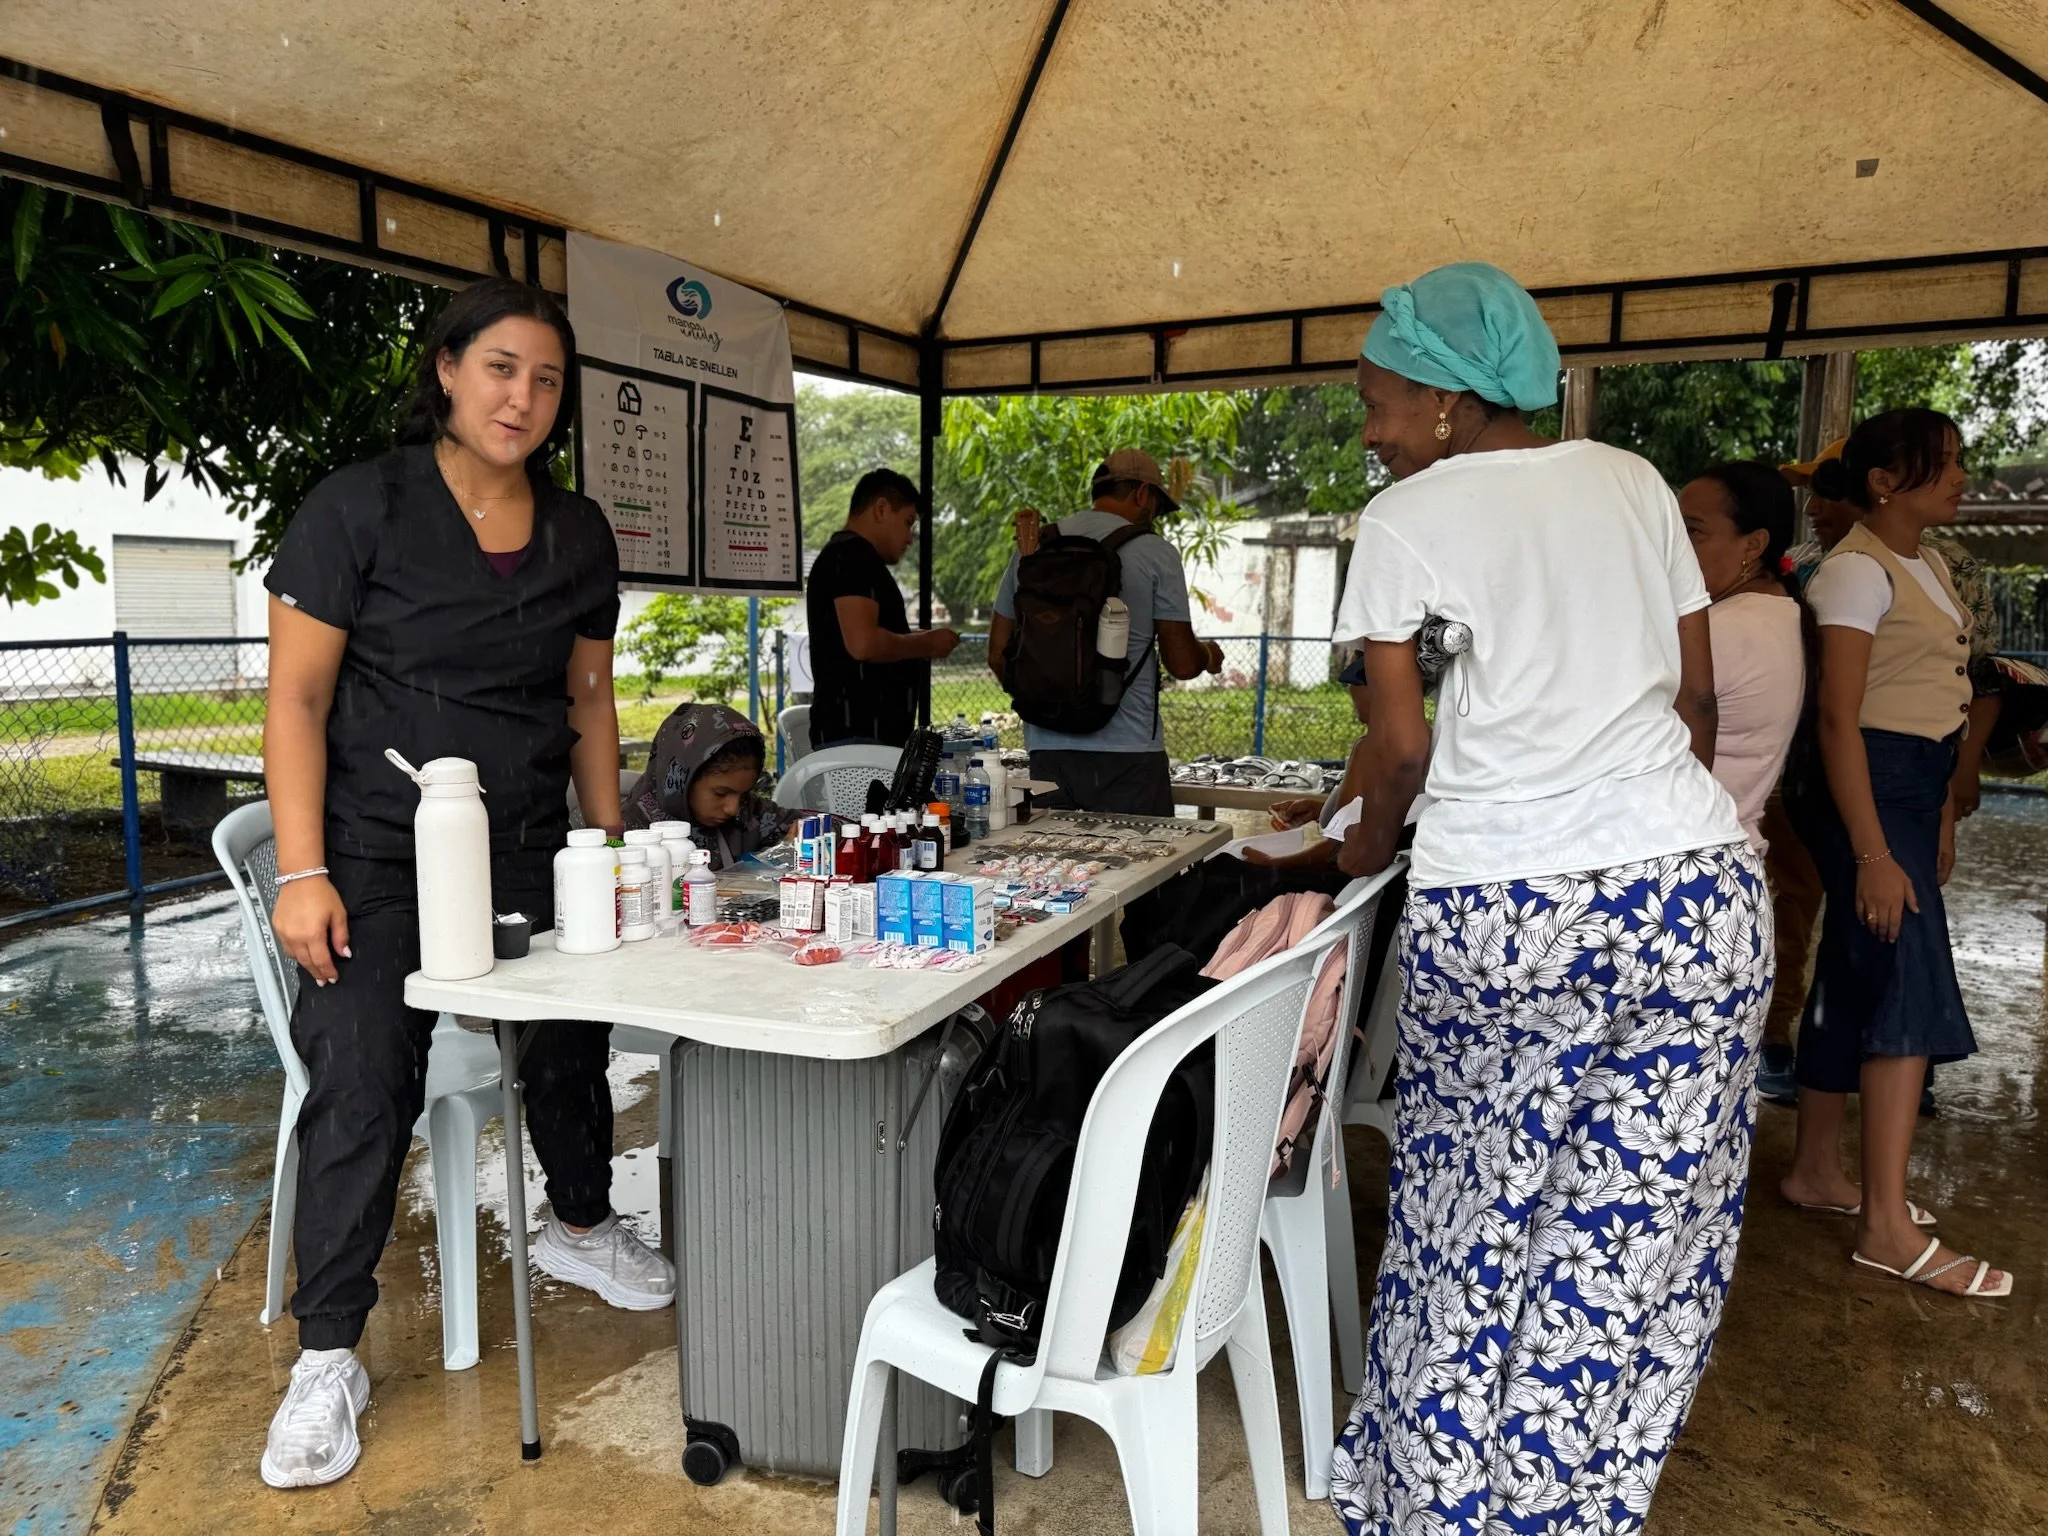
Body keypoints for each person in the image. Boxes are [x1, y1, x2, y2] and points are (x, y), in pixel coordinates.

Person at [1326, 262, 1769, 1536]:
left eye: (1378, 401)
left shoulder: (1408, 519)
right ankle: (1570, 1516)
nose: (1370, 430)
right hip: (1692, 899)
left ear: (1449, 400)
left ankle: (1434, 1512)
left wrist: (1352, 862)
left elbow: (1399, 751)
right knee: (1622, 1252)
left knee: (1469, 1232)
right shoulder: (1631, 483)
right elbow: (1694, 707)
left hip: (1509, 914)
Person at [258, 279, 673, 1489]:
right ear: (445, 370)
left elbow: (589, 699)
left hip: (531, 843)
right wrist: (302, 871)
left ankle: (582, 1224)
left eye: (545, 379)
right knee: (364, 1067)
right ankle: (327, 1350)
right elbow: (296, 699)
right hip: (381, 854)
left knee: (574, 1026)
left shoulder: (579, 530)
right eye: (499, 368)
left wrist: (609, 848)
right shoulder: (357, 511)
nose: (521, 398)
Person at [1777, 410, 2009, 1297]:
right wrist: (1874, 850)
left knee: (1853, 966)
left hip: (1909, 783)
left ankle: (1816, 1172)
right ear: (1884, 480)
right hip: (1861, 782)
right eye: (1941, 464)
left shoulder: (1929, 562)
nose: (1960, 477)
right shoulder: (1855, 575)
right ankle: (1884, 1222)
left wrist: (1941, 811)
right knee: (1907, 971)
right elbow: (1838, 716)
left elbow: (1941, 691)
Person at [987, 449, 1226, 815]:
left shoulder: (1034, 547)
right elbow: (1180, 662)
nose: (1154, 518)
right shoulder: (1155, 552)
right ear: (1142, 494)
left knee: (1055, 866)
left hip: (1047, 753)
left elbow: (997, 652)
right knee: (1144, 865)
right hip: (1128, 756)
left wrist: (1049, 705)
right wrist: (1207, 655)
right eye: (1156, 507)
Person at [1680, 461, 1807, 854]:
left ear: (1753, 545)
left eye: (1692, 531)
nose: (1672, 546)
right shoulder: (1778, 609)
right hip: (1728, 847)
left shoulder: (1725, 629)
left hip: (1689, 854)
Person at [804, 468, 959, 748]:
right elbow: (863, 644)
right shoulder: (852, 555)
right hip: (856, 738)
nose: (910, 538)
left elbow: (867, 635)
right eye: (908, 522)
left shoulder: (851, 556)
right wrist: (925, 643)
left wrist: (920, 638)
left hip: (864, 736)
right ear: (881, 509)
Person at [623, 702, 802, 866]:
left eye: (743, 793)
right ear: (684, 780)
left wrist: (800, 835)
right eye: (720, 793)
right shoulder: (632, 833)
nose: (733, 809)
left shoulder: (748, 814)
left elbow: (816, 823)